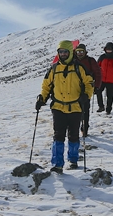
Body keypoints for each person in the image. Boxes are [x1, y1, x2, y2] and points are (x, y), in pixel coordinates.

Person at [36, 40, 94, 173]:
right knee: (58, 136)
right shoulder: (54, 69)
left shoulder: (80, 68)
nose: (62, 54)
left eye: (65, 52)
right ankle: (57, 164)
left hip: (75, 107)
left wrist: (86, 96)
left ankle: (73, 160)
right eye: (60, 52)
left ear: (70, 52)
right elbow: (46, 86)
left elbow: (89, 83)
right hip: (58, 107)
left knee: (73, 135)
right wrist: (42, 99)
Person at [74, 44, 101, 138]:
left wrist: (97, 86)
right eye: (78, 52)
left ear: (85, 52)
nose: (80, 53)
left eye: (81, 51)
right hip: (74, 89)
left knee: (85, 109)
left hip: (87, 89)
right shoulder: (73, 61)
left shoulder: (90, 61)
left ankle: (85, 128)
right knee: (75, 110)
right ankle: (74, 129)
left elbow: (98, 73)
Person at [96, 43, 113, 115]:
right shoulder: (102, 57)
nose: (108, 51)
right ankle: (101, 106)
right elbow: (97, 66)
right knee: (98, 91)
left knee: (110, 95)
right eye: (107, 49)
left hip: (111, 80)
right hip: (102, 79)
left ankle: (108, 109)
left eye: (110, 49)